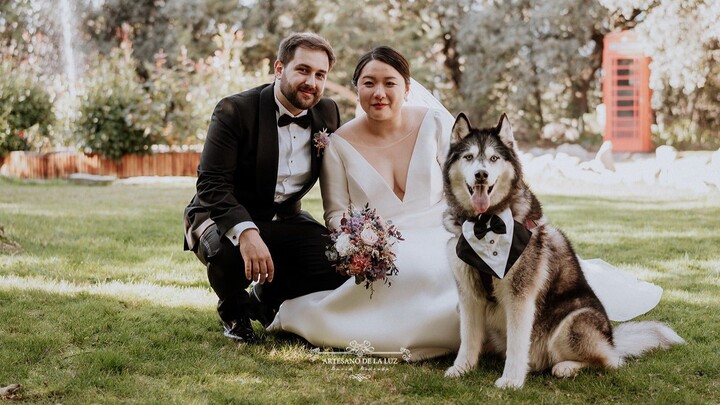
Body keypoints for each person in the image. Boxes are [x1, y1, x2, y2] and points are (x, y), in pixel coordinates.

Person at [267, 46, 663, 359]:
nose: (379, 92)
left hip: (447, 232)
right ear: (357, 89)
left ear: (406, 87)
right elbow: (336, 212)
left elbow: (473, 183)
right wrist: (354, 244)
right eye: (368, 83)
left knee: (457, 274)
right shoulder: (337, 145)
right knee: (390, 290)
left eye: (389, 82)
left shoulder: (434, 124)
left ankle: (498, 334)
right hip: (385, 246)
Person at [183, 32, 347, 343]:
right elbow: (211, 183)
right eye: (302, 70)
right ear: (279, 68)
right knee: (227, 253)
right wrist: (245, 231)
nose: (311, 82)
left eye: (320, 74)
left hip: (284, 218)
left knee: (338, 261)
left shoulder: (327, 113)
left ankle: (266, 297)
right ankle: (234, 311)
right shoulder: (235, 110)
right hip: (221, 215)